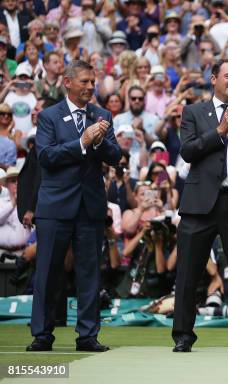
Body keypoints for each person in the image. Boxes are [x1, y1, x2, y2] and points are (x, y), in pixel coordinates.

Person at [28, 60, 121, 352]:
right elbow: (46, 157)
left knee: (90, 273)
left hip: (90, 207)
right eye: (84, 81)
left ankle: (88, 336)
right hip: (55, 207)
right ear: (67, 82)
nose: (90, 87)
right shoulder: (48, 116)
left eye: (92, 82)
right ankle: (42, 336)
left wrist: (99, 141)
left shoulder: (102, 114)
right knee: (47, 272)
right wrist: (82, 142)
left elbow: (115, 156)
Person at [172, 59, 228, 354]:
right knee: (187, 274)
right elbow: (187, 151)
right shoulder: (193, 111)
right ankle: (183, 335)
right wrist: (220, 132)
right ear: (213, 79)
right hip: (199, 204)